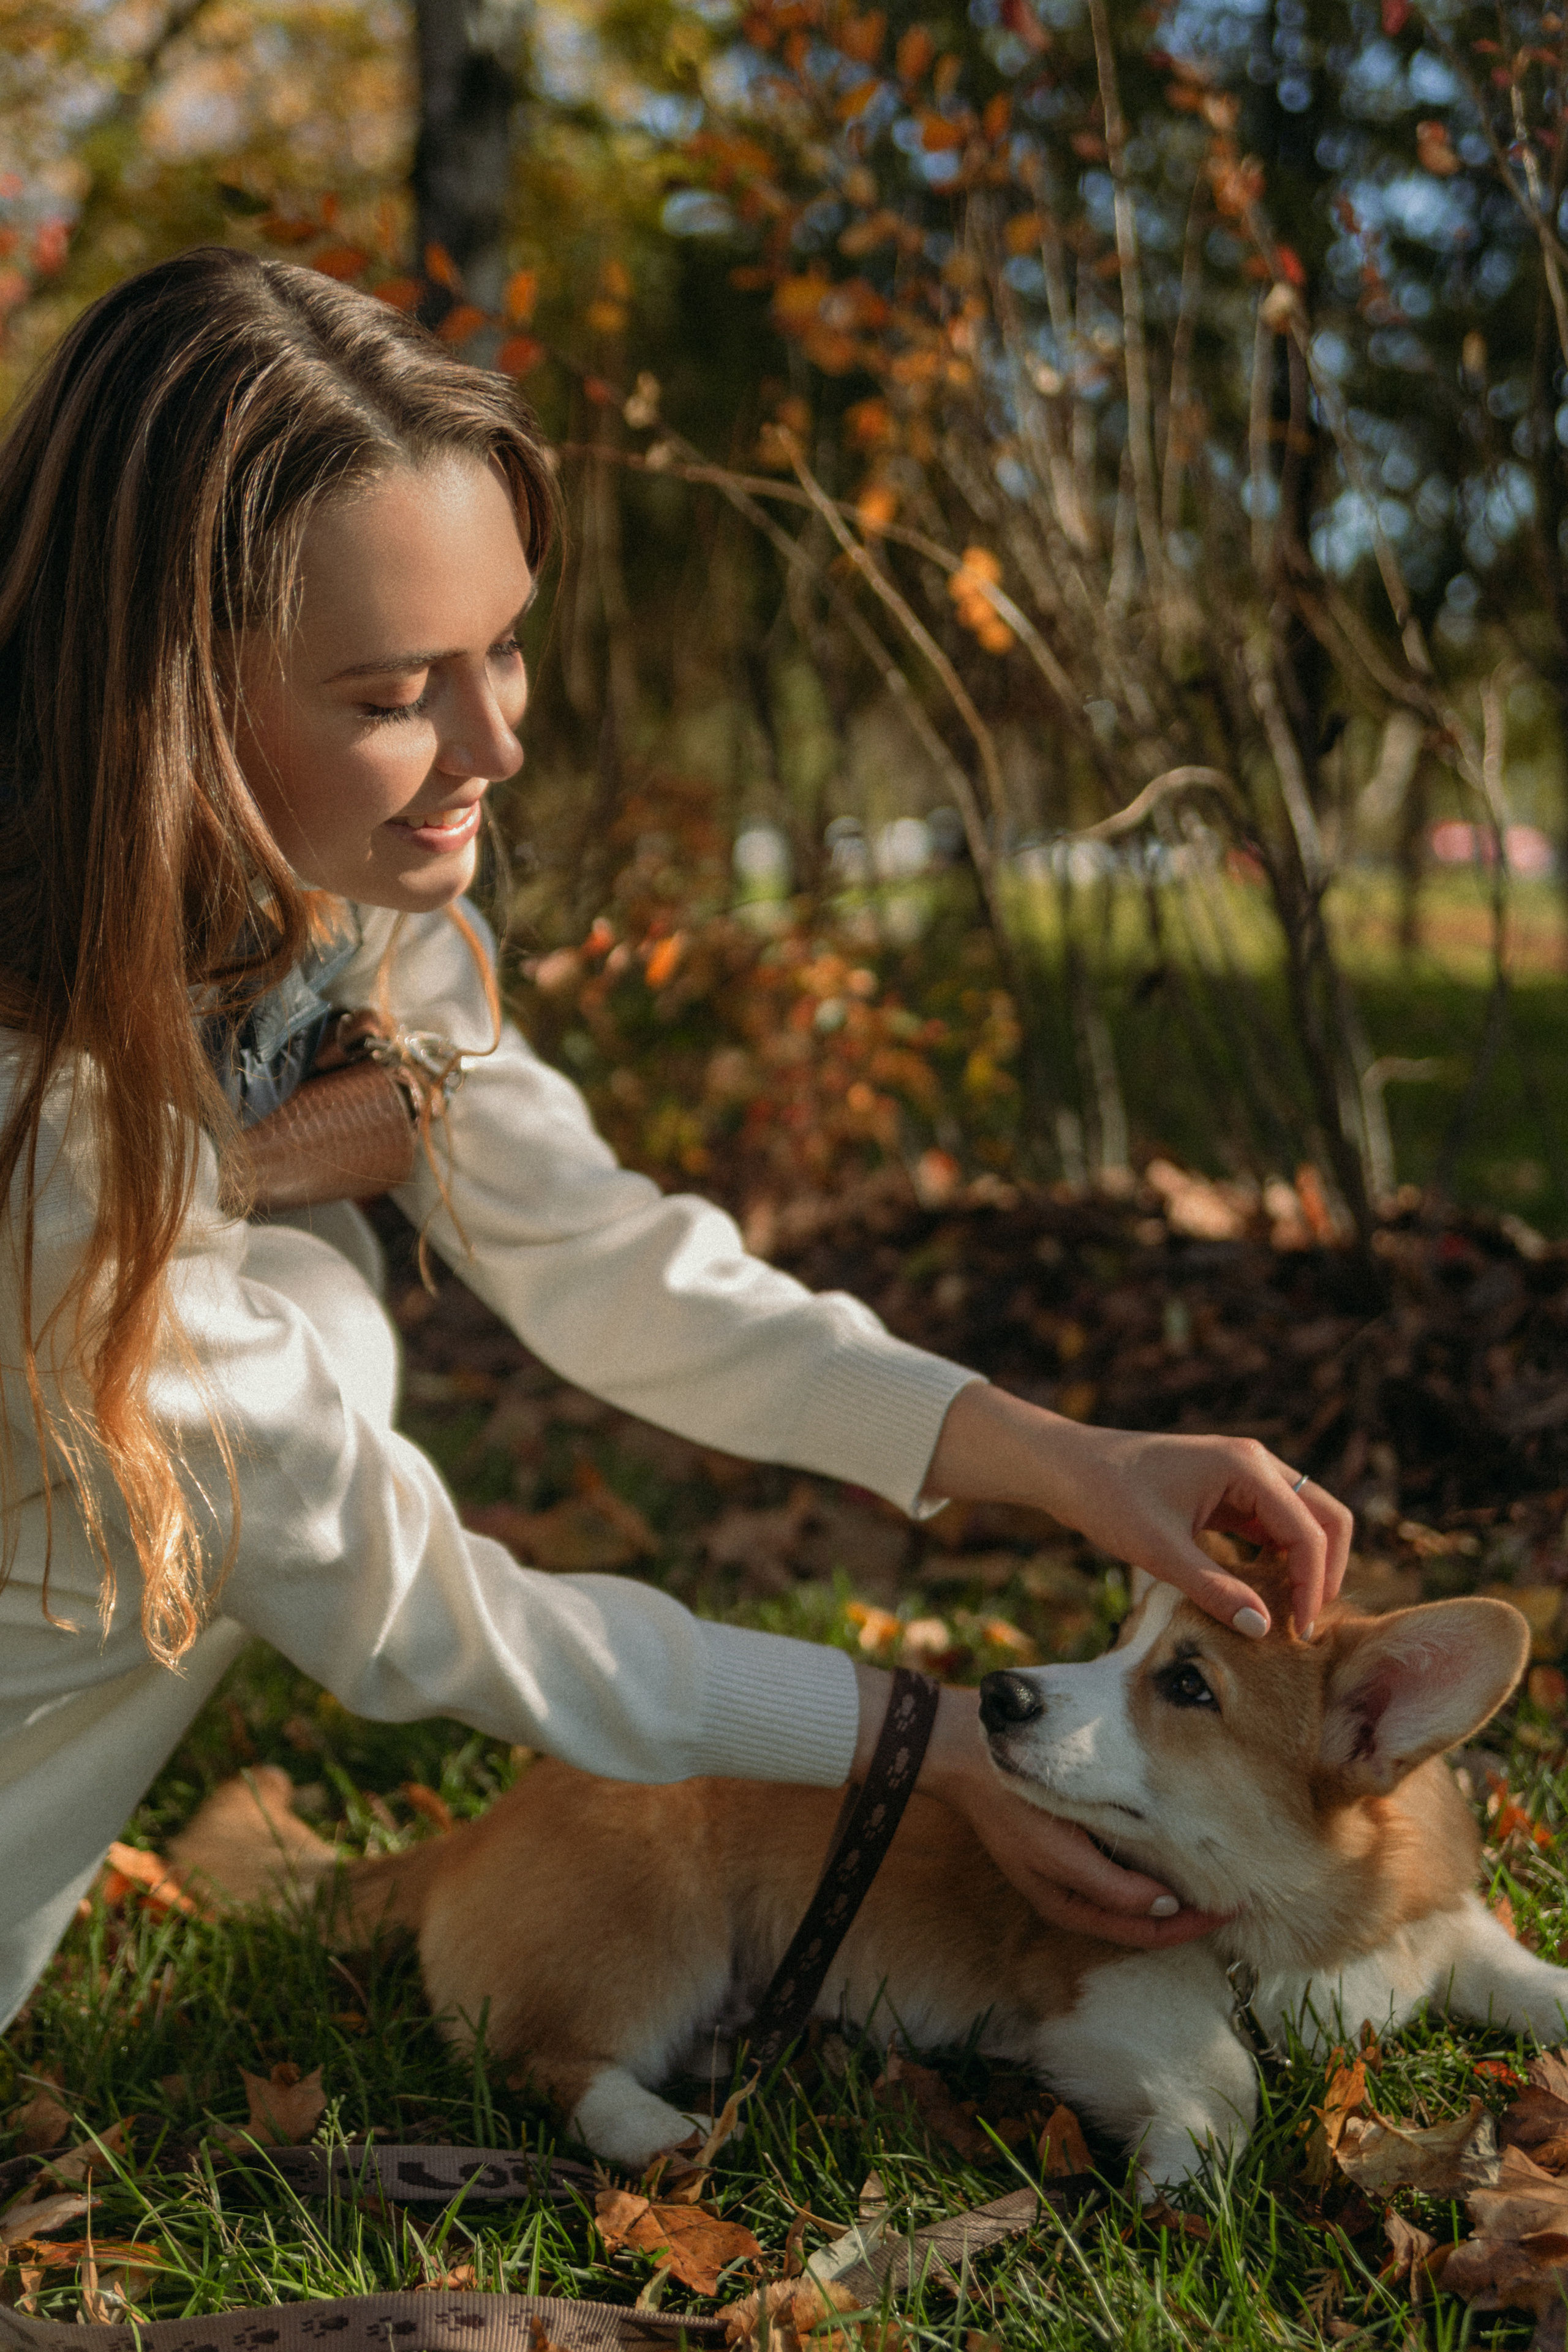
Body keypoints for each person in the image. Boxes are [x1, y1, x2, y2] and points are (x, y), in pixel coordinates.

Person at [0, 247, 1351, 2037]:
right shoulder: (45, 1114)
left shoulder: (320, 908)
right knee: (297, 1343)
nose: (492, 742)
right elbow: (421, 1611)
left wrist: (1057, 1455)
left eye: (506, 651)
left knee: (317, 1306)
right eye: (396, 692)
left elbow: (612, 1259)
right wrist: (922, 1750)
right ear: (163, 692)